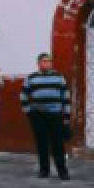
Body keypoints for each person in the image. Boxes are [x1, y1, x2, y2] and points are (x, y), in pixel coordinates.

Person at [21, 52, 70, 180]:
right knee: (42, 143)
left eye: (49, 61)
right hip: (38, 115)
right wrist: (29, 112)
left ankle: (62, 171)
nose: (47, 63)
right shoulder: (31, 77)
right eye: (44, 61)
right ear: (38, 63)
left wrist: (66, 117)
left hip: (55, 115)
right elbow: (23, 95)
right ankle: (44, 170)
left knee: (57, 144)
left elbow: (66, 97)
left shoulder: (59, 77)